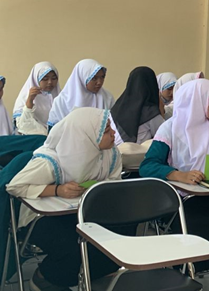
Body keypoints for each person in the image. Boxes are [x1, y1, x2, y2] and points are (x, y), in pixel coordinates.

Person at [139, 78, 209, 287]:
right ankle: (192, 269)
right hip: (185, 198)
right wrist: (178, 175)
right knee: (199, 219)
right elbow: (148, 166)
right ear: (199, 100)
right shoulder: (170, 128)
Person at [7, 107, 123, 291]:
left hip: (80, 212)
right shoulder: (52, 159)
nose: (113, 134)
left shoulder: (110, 154)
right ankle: (45, 278)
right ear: (87, 135)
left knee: (117, 232)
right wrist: (57, 190)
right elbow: (15, 187)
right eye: (106, 131)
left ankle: (92, 276)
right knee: (71, 244)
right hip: (41, 218)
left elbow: (113, 181)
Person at [47, 59, 114, 129]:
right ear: (82, 78)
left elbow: (114, 126)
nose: (99, 82)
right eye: (94, 78)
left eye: (102, 77)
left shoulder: (107, 97)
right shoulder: (62, 101)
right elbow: (53, 130)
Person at [111, 67, 165, 144]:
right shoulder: (151, 112)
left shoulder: (118, 106)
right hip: (135, 151)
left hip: (113, 149)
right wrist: (161, 109)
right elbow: (164, 134)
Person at [12, 62, 61, 135]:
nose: (50, 82)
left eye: (54, 78)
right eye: (45, 79)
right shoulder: (25, 97)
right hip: (34, 138)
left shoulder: (60, 97)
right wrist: (30, 100)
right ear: (35, 78)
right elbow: (23, 125)